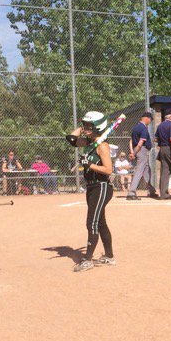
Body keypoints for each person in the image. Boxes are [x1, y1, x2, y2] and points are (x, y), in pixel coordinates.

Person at [67, 112, 115, 271]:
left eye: (89, 125)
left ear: (97, 127)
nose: (86, 128)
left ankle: (87, 259)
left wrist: (90, 165)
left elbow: (108, 169)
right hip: (92, 187)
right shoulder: (88, 142)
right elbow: (71, 139)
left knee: (92, 223)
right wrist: (81, 129)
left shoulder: (102, 145)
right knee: (100, 223)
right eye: (85, 125)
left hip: (101, 186)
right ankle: (109, 256)